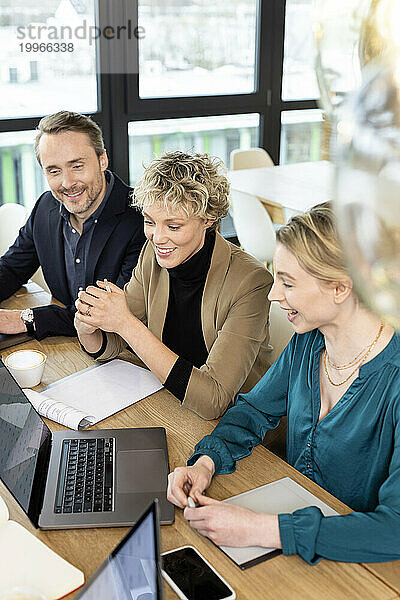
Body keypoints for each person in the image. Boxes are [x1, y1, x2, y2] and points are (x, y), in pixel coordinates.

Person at [167, 202, 400, 565]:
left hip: (359, 563)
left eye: (288, 283)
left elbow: (393, 529)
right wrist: (205, 463)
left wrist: (261, 529)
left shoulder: (395, 380)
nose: (274, 295)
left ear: (340, 287)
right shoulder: (310, 341)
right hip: (293, 540)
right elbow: (254, 411)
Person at [75, 151, 273, 419]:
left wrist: (126, 324)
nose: (157, 237)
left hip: (236, 427)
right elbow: (114, 343)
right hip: (172, 402)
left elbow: (214, 401)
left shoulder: (251, 282)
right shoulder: (152, 255)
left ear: (209, 219)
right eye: (149, 222)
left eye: (174, 226)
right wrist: (87, 327)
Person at [0, 111, 145, 340]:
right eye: (54, 170)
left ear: (102, 159)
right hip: (66, 345)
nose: (67, 184)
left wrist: (26, 319)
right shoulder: (46, 207)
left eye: (77, 166)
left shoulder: (140, 219)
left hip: (120, 352)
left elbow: (105, 315)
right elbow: (11, 268)